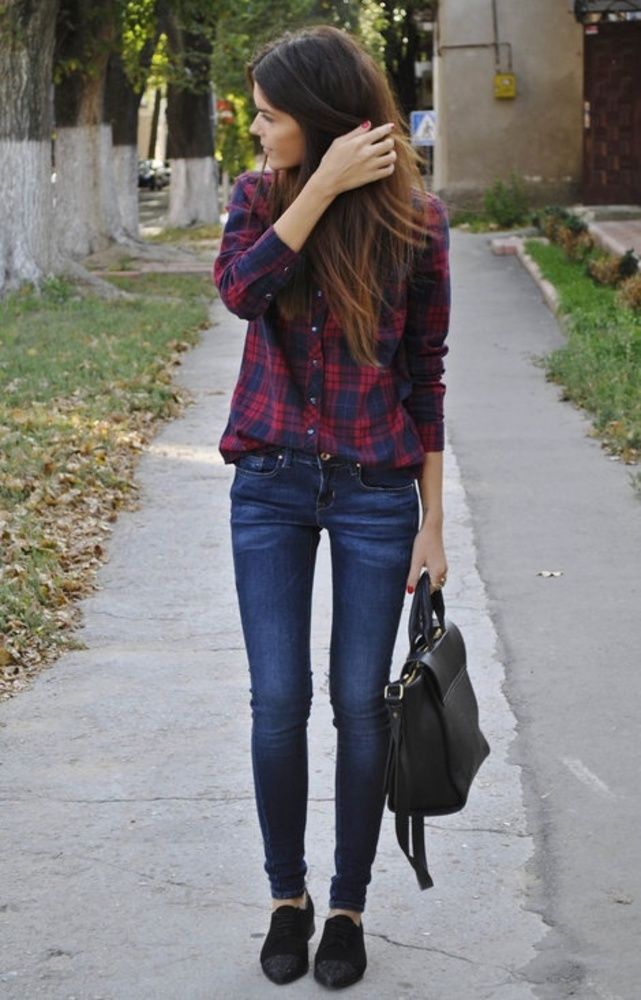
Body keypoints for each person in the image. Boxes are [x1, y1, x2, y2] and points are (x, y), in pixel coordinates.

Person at [214, 25, 450, 990]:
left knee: (361, 706)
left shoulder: (417, 222)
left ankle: (347, 907)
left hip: (374, 493)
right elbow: (240, 293)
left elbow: (426, 375)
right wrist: (316, 187)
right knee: (279, 700)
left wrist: (433, 525)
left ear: (317, 117)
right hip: (269, 486)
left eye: (270, 116)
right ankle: (289, 898)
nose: (257, 130)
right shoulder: (257, 199)